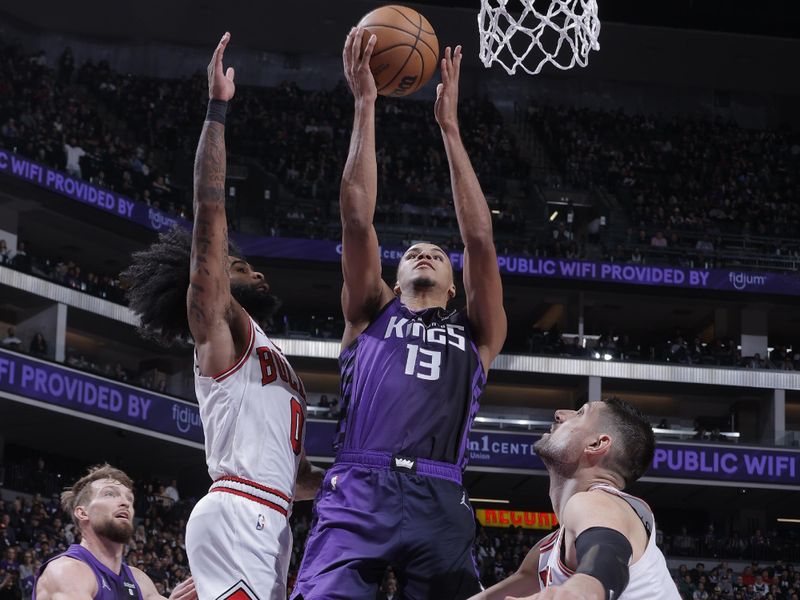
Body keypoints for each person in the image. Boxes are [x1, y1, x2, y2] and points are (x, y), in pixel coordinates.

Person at [292, 32, 506, 600]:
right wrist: (365, 104)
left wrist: (451, 129)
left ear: (454, 282)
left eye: (436, 253)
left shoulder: (479, 332)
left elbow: (480, 238)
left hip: (440, 493)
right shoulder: (369, 312)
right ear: (396, 272)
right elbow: (357, 219)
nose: (424, 253)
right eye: (411, 251)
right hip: (359, 483)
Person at [122, 33, 324, 599]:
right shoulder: (218, 326)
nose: (251, 269)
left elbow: (298, 477)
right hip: (241, 511)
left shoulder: (270, 353)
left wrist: (356, 477)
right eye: (235, 263)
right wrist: (216, 110)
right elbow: (210, 205)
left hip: (270, 515)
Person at [470, 397, 680, 600]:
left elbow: (608, 550)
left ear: (596, 443)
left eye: (580, 413)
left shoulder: (598, 502)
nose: (559, 414)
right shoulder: (546, 553)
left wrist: (583, 590)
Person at [33, 464, 196, 600]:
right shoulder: (66, 571)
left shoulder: (139, 580)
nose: (125, 502)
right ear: (83, 513)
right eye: (110, 494)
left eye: (130, 499)